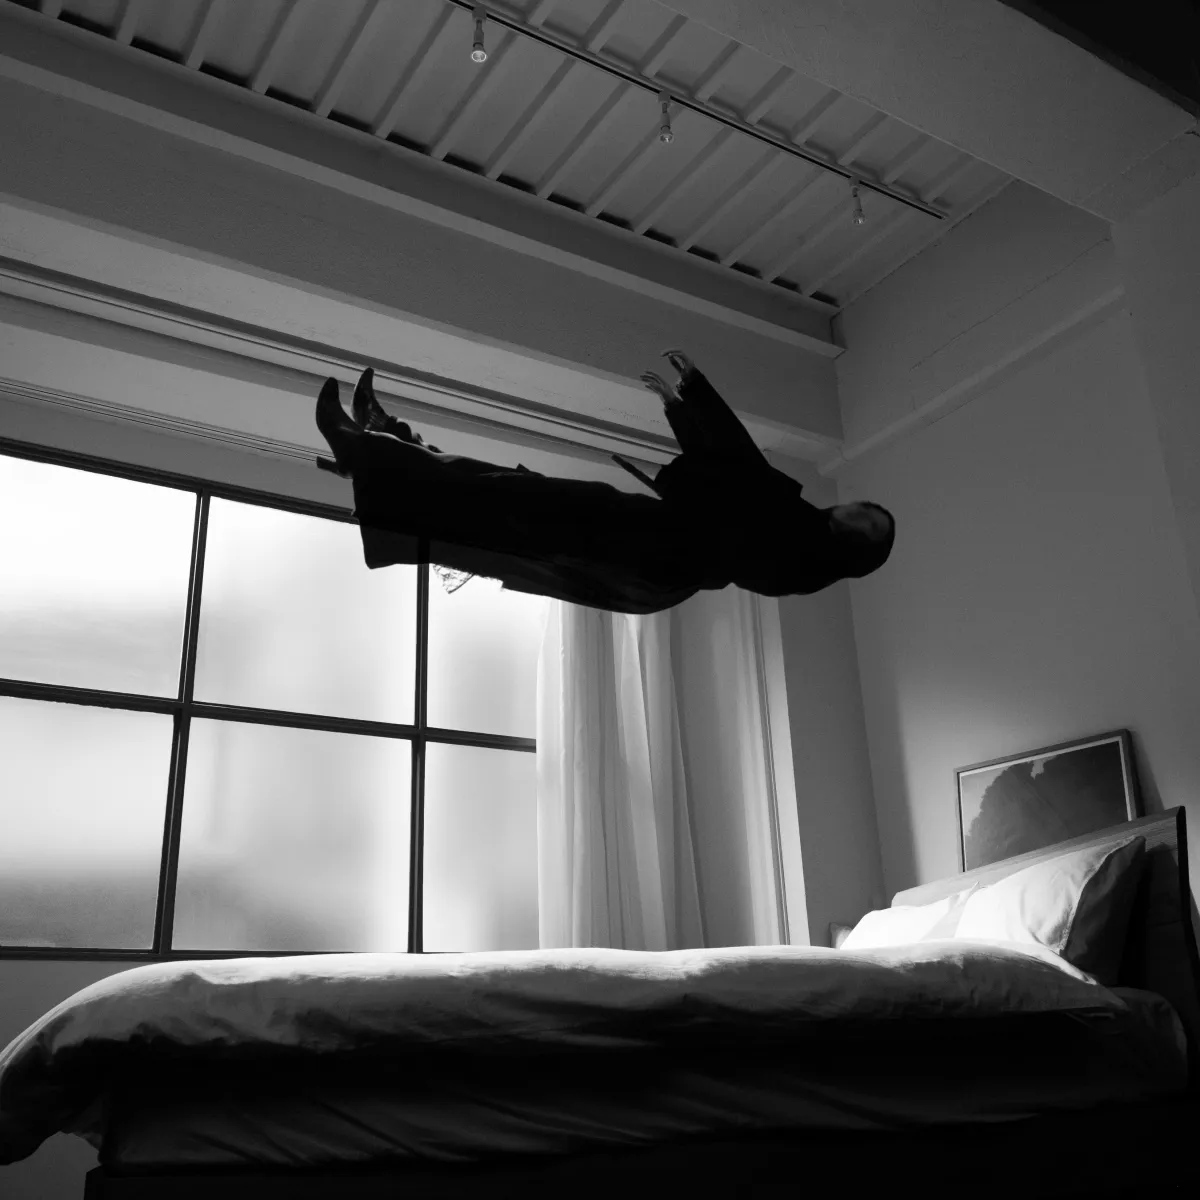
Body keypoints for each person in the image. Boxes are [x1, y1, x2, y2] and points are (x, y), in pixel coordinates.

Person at [315, 351, 894, 614]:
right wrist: (685, 399)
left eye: (868, 523)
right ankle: (382, 443)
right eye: (869, 507)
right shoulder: (792, 517)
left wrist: (689, 407)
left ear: (860, 548)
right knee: (512, 495)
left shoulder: (803, 562)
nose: (858, 510)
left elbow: (737, 490)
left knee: (509, 506)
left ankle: (369, 451)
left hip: (647, 557)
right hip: (647, 538)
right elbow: (739, 468)